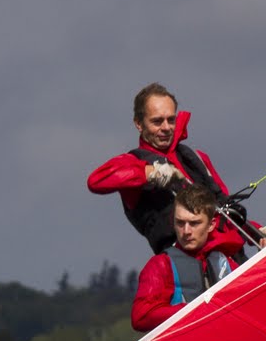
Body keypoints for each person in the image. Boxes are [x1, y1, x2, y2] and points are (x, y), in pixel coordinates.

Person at [88, 82, 240, 254]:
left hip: (233, 257)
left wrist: (257, 233)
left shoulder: (197, 158)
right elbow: (95, 181)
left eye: (171, 120)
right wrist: (151, 173)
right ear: (139, 124)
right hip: (187, 266)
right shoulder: (133, 162)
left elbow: (226, 204)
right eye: (157, 121)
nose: (166, 128)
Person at [130, 184, 248, 333]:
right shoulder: (161, 265)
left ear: (211, 225)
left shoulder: (225, 261)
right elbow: (141, 316)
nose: (186, 231)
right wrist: (194, 310)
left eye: (194, 223)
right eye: (180, 223)